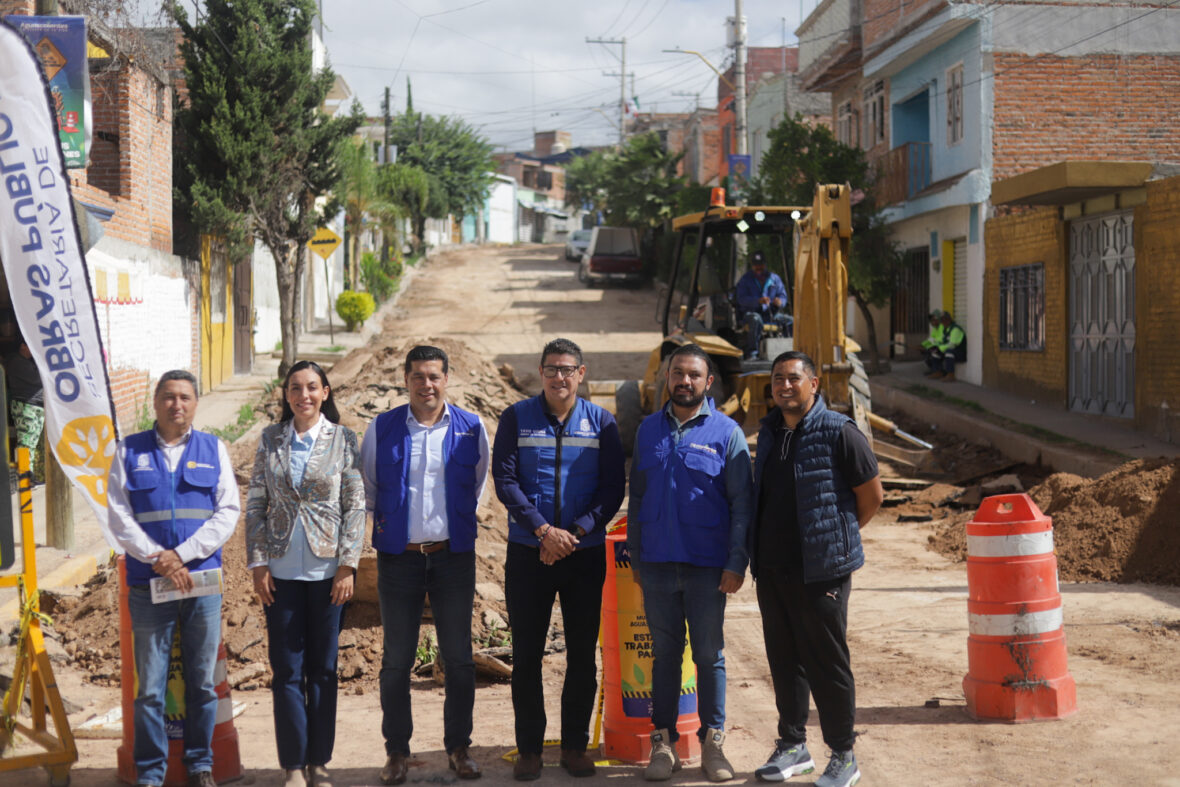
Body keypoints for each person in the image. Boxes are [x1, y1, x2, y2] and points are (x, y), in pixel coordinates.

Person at [493, 338, 625, 781]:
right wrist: (543, 531)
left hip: (583, 556)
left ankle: (574, 747)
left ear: (581, 374)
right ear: (541, 372)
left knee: (582, 655)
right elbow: (505, 480)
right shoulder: (516, 418)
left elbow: (613, 488)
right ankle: (530, 750)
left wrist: (577, 532)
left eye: (568, 369)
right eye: (551, 369)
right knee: (527, 655)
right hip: (529, 552)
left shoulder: (602, 422)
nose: (559, 377)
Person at [749, 352, 883, 787]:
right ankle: (793, 746)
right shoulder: (769, 431)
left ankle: (843, 754)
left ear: (814, 383)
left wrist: (836, 540)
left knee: (827, 663)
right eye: (778, 379)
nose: (785, 386)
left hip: (821, 573)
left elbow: (872, 497)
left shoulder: (840, 432)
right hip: (772, 569)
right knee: (784, 661)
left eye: (794, 378)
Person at [362, 345, 490, 785]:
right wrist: (395, 528)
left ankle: (459, 747)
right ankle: (397, 751)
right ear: (406, 380)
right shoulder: (382, 428)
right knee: (396, 660)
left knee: (459, 658)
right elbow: (370, 487)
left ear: (447, 379)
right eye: (417, 376)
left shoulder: (471, 428)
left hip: (453, 558)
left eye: (434, 376)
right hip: (399, 559)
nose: (426, 384)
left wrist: (452, 524)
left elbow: (477, 484)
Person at [106, 370, 241, 787]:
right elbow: (118, 515)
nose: (176, 404)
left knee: (201, 683)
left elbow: (228, 512)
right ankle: (150, 773)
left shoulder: (213, 449)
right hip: (149, 583)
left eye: (184, 397)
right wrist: (159, 558)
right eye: (168, 397)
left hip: (201, 582)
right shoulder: (129, 451)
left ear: (196, 403)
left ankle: (200, 765)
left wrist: (181, 556)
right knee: (150, 687)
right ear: (155, 402)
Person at [626, 344, 753, 783]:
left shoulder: (727, 433)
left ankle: (712, 744)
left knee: (708, 655)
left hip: (707, 568)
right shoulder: (647, 431)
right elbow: (637, 498)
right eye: (677, 372)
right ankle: (664, 745)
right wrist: (637, 557)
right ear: (667, 377)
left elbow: (742, 505)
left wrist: (736, 562)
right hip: (657, 566)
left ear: (708, 382)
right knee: (664, 656)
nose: (684, 381)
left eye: (693, 375)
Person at [246, 360, 365, 787]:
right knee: (287, 671)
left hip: (328, 573)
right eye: (295, 388)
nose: (304, 396)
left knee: (324, 670)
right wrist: (258, 563)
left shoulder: (343, 440)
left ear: (325, 392)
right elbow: (256, 504)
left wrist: (348, 565)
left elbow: (355, 506)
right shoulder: (270, 439)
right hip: (280, 574)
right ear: (286, 395)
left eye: (312, 387)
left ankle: (319, 762)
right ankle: (293, 765)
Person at [735, 251, 792, 359]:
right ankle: (753, 353)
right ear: (752, 266)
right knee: (756, 319)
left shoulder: (774, 278)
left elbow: (783, 296)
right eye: (756, 265)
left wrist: (780, 301)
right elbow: (741, 299)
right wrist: (758, 301)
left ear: (765, 264)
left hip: (771, 315)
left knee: (790, 321)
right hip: (750, 314)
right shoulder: (745, 280)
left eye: (760, 264)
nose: (758, 267)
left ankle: (788, 353)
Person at [5, 338, 45, 484]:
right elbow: (37, 379)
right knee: (26, 442)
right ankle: (24, 476)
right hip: (26, 405)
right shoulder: (16, 361)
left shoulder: (26, 362)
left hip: (34, 406)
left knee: (32, 442)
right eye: (30, 346)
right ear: (23, 346)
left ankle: (29, 474)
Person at [932, 312, 966, 381]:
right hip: (951, 350)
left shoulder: (955, 329)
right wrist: (935, 346)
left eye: (945, 320)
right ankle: (938, 372)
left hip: (960, 352)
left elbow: (952, 345)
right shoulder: (946, 329)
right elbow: (942, 340)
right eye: (942, 321)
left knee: (949, 352)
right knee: (934, 351)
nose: (943, 322)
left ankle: (950, 375)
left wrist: (940, 348)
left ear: (949, 320)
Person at [921, 310, 945, 376]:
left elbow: (940, 340)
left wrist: (928, 346)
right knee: (926, 353)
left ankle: (938, 371)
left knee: (932, 352)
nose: (932, 322)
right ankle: (933, 370)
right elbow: (930, 339)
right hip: (937, 346)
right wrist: (922, 345)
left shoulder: (942, 327)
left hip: (943, 347)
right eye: (931, 320)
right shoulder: (935, 329)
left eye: (934, 320)